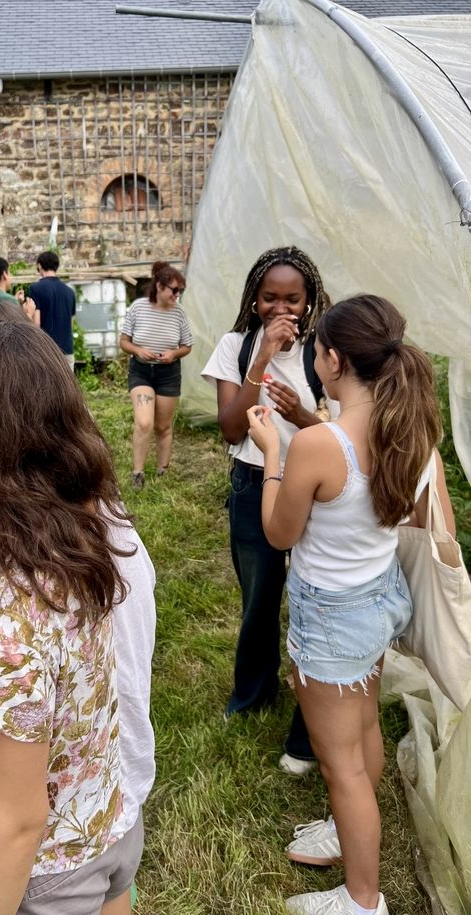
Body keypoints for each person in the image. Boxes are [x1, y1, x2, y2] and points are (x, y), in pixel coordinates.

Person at [0, 317, 152, 915]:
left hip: (40, 878)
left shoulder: (4, 628)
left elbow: (17, 823)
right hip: (107, 826)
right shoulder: (88, 540)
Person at [247, 295, 453, 915]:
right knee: (362, 725)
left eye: (315, 350)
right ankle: (348, 829)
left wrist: (273, 455)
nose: (313, 357)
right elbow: (415, 516)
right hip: (380, 600)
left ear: (334, 361)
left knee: (342, 767)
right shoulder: (413, 432)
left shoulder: (319, 447)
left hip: (333, 617)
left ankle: (363, 899)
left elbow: (279, 534)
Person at [201, 246, 332, 771]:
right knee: (259, 596)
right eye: (270, 298)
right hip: (253, 484)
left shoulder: (325, 351)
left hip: (314, 485)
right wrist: (260, 359)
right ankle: (254, 690)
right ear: (255, 302)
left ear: (309, 300)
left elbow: (340, 437)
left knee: (311, 596)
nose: (283, 309)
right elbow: (232, 428)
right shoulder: (235, 345)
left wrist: (300, 414)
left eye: (293, 299)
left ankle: (312, 709)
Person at [120, 261, 193, 490]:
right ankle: (138, 473)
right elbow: (123, 342)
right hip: (141, 371)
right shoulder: (138, 307)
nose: (177, 295)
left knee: (163, 426)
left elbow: (187, 345)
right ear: (159, 287)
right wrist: (138, 350)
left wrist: (174, 354)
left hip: (168, 373)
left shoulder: (179, 313)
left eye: (180, 290)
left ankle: (163, 470)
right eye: (174, 290)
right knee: (144, 422)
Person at [28, 250, 77, 369]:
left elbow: (36, 323)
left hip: (46, 351)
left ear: (39, 266)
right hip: (67, 349)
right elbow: (70, 324)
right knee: (66, 386)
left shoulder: (35, 289)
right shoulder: (70, 292)